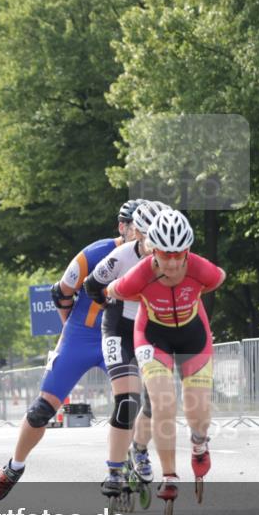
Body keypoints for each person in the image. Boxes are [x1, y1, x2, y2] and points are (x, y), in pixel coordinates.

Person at [0, 201, 138, 509]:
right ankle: (14, 466)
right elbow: (61, 292)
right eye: (137, 227)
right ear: (122, 227)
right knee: (42, 409)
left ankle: (121, 464)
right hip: (81, 335)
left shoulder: (154, 258)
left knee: (131, 401)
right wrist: (70, 331)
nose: (144, 233)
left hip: (119, 336)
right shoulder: (95, 253)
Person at [107, 209, 226, 506]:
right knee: (162, 401)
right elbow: (112, 290)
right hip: (152, 336)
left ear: (187, 251)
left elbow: (218, 279)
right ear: (152, 250)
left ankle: (199, 444)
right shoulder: (140, 275)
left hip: (194, 335)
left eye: (179, 255)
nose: (172, 263)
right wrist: (142, 298)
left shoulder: (202, 270)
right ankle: (170, 475)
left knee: (197, 411)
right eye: (164, 254)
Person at [83, 200, 169, 490]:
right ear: (137, 233)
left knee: (157, 401)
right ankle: (114, 470)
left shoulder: (173, 258)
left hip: (153, 331)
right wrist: (107, 300)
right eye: (147, 239)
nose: (154, 247)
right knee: (127, 400)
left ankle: (140, 450)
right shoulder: (120, 257)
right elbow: (90, 284)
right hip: (119, 328)